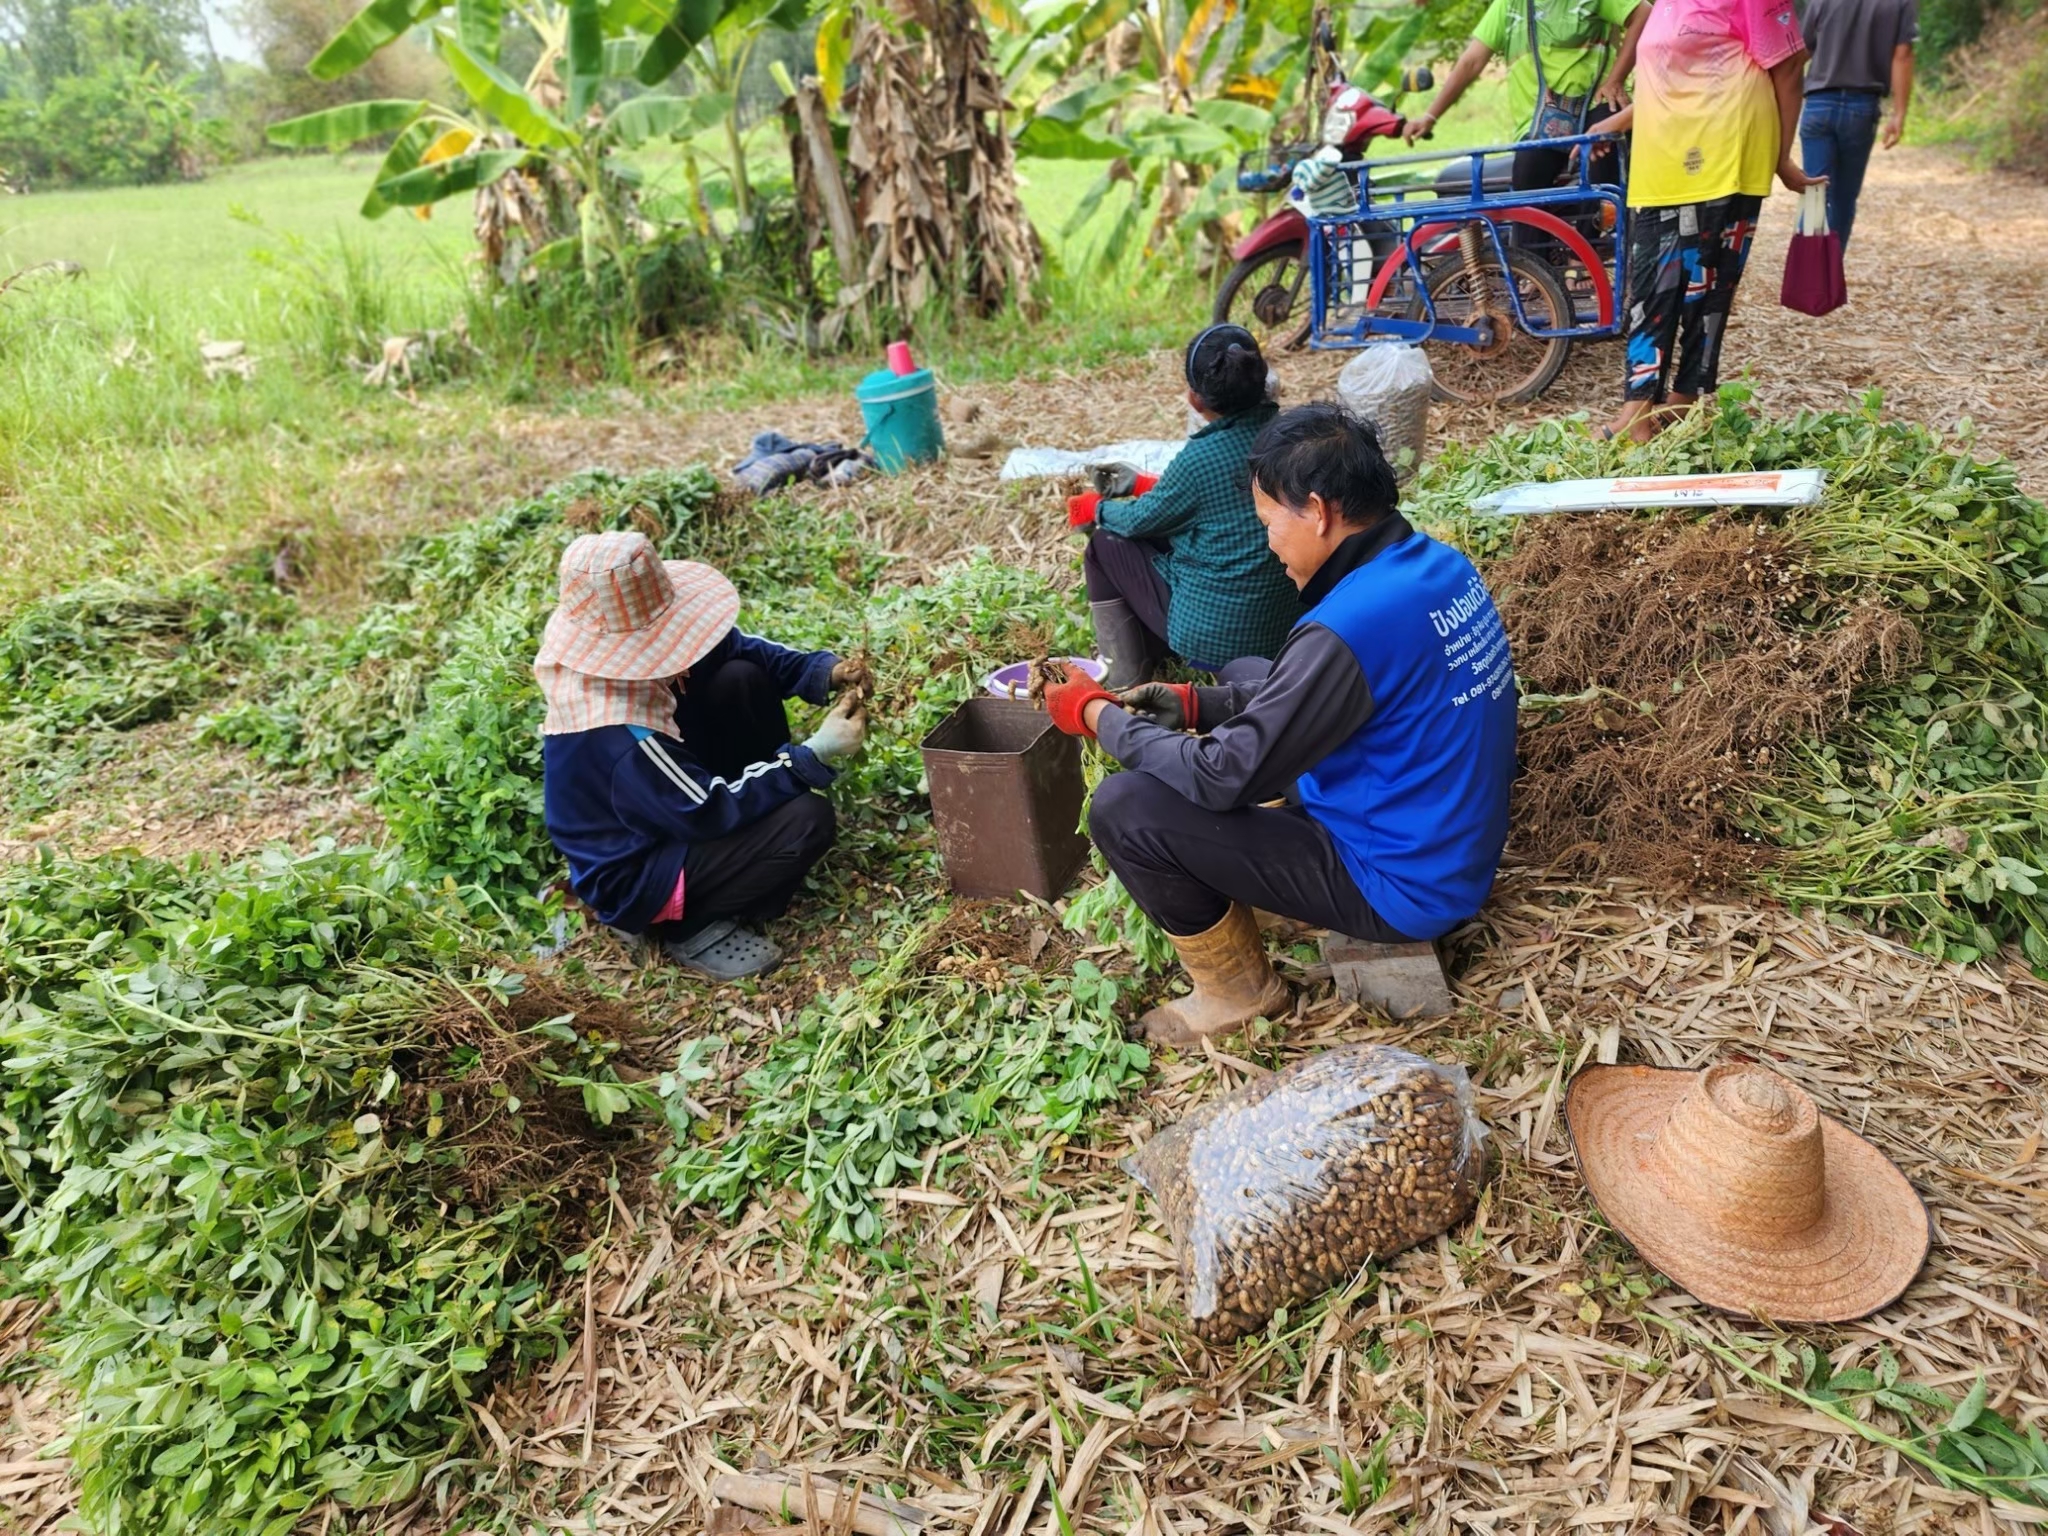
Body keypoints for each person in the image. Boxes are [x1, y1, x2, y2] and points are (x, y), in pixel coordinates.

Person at [1043, 405, 1518, 1047]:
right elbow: (1317, 685)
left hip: (1400, 883)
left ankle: (1236, 992)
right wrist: (1192, 705)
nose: (1268, 541)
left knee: (1126, 807)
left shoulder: (1345, 630)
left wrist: (1094, 714)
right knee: (1248, 669)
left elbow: (1221, 778)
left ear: (1317, 512)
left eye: (1269, 521)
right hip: (1446, 842)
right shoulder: (1439, 566)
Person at [535, 530, 868, 980]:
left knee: (740, 677)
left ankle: (756, 822)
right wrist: (811, 755)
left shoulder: (650, 656)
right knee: (808, 819)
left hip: (672, 801)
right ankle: (690, 923)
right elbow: (705, 809)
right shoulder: (618, 731)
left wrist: (822, 671)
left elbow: (740, 649)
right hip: (640, 866)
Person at [1594, 0, 1821, 443]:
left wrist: (1780, 159)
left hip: (1722, 149)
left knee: (1706, 286)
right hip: (1664, 158)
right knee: (1651, 285)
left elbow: (1790, 67)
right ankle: (1645, 407)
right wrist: (1615, 124)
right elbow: (1670, 80)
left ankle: (1670, 405)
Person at [1067, 325, 1299, 688]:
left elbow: (1139, 521)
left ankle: (1124, 677)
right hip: (1283, 629)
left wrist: (1095, 508)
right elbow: (1220, 501)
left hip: (1221, 640)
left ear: (1195, 400)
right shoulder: (1292, 437)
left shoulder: (1199, 460)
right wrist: (1145, 484)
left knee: (1105, 545)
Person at [1403, 0, 1648, 190]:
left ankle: (1587, 251)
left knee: (1605, 162)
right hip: (1538, 123)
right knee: (1527, 187)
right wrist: (1430, 116)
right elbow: (1471, 61)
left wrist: (1615, 79)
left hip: (1596, 106)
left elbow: (1643, 13)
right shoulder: (1510, 5)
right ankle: (1528, 256)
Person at [1798, 0, 1916, 248]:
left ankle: (1808, 277)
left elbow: (1800, 52)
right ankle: (1830, 275)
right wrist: (1899, 113)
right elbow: (1902, 56)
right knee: (1843, 198)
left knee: (1815, 196)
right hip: (1862, 107)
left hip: (1819, 103)